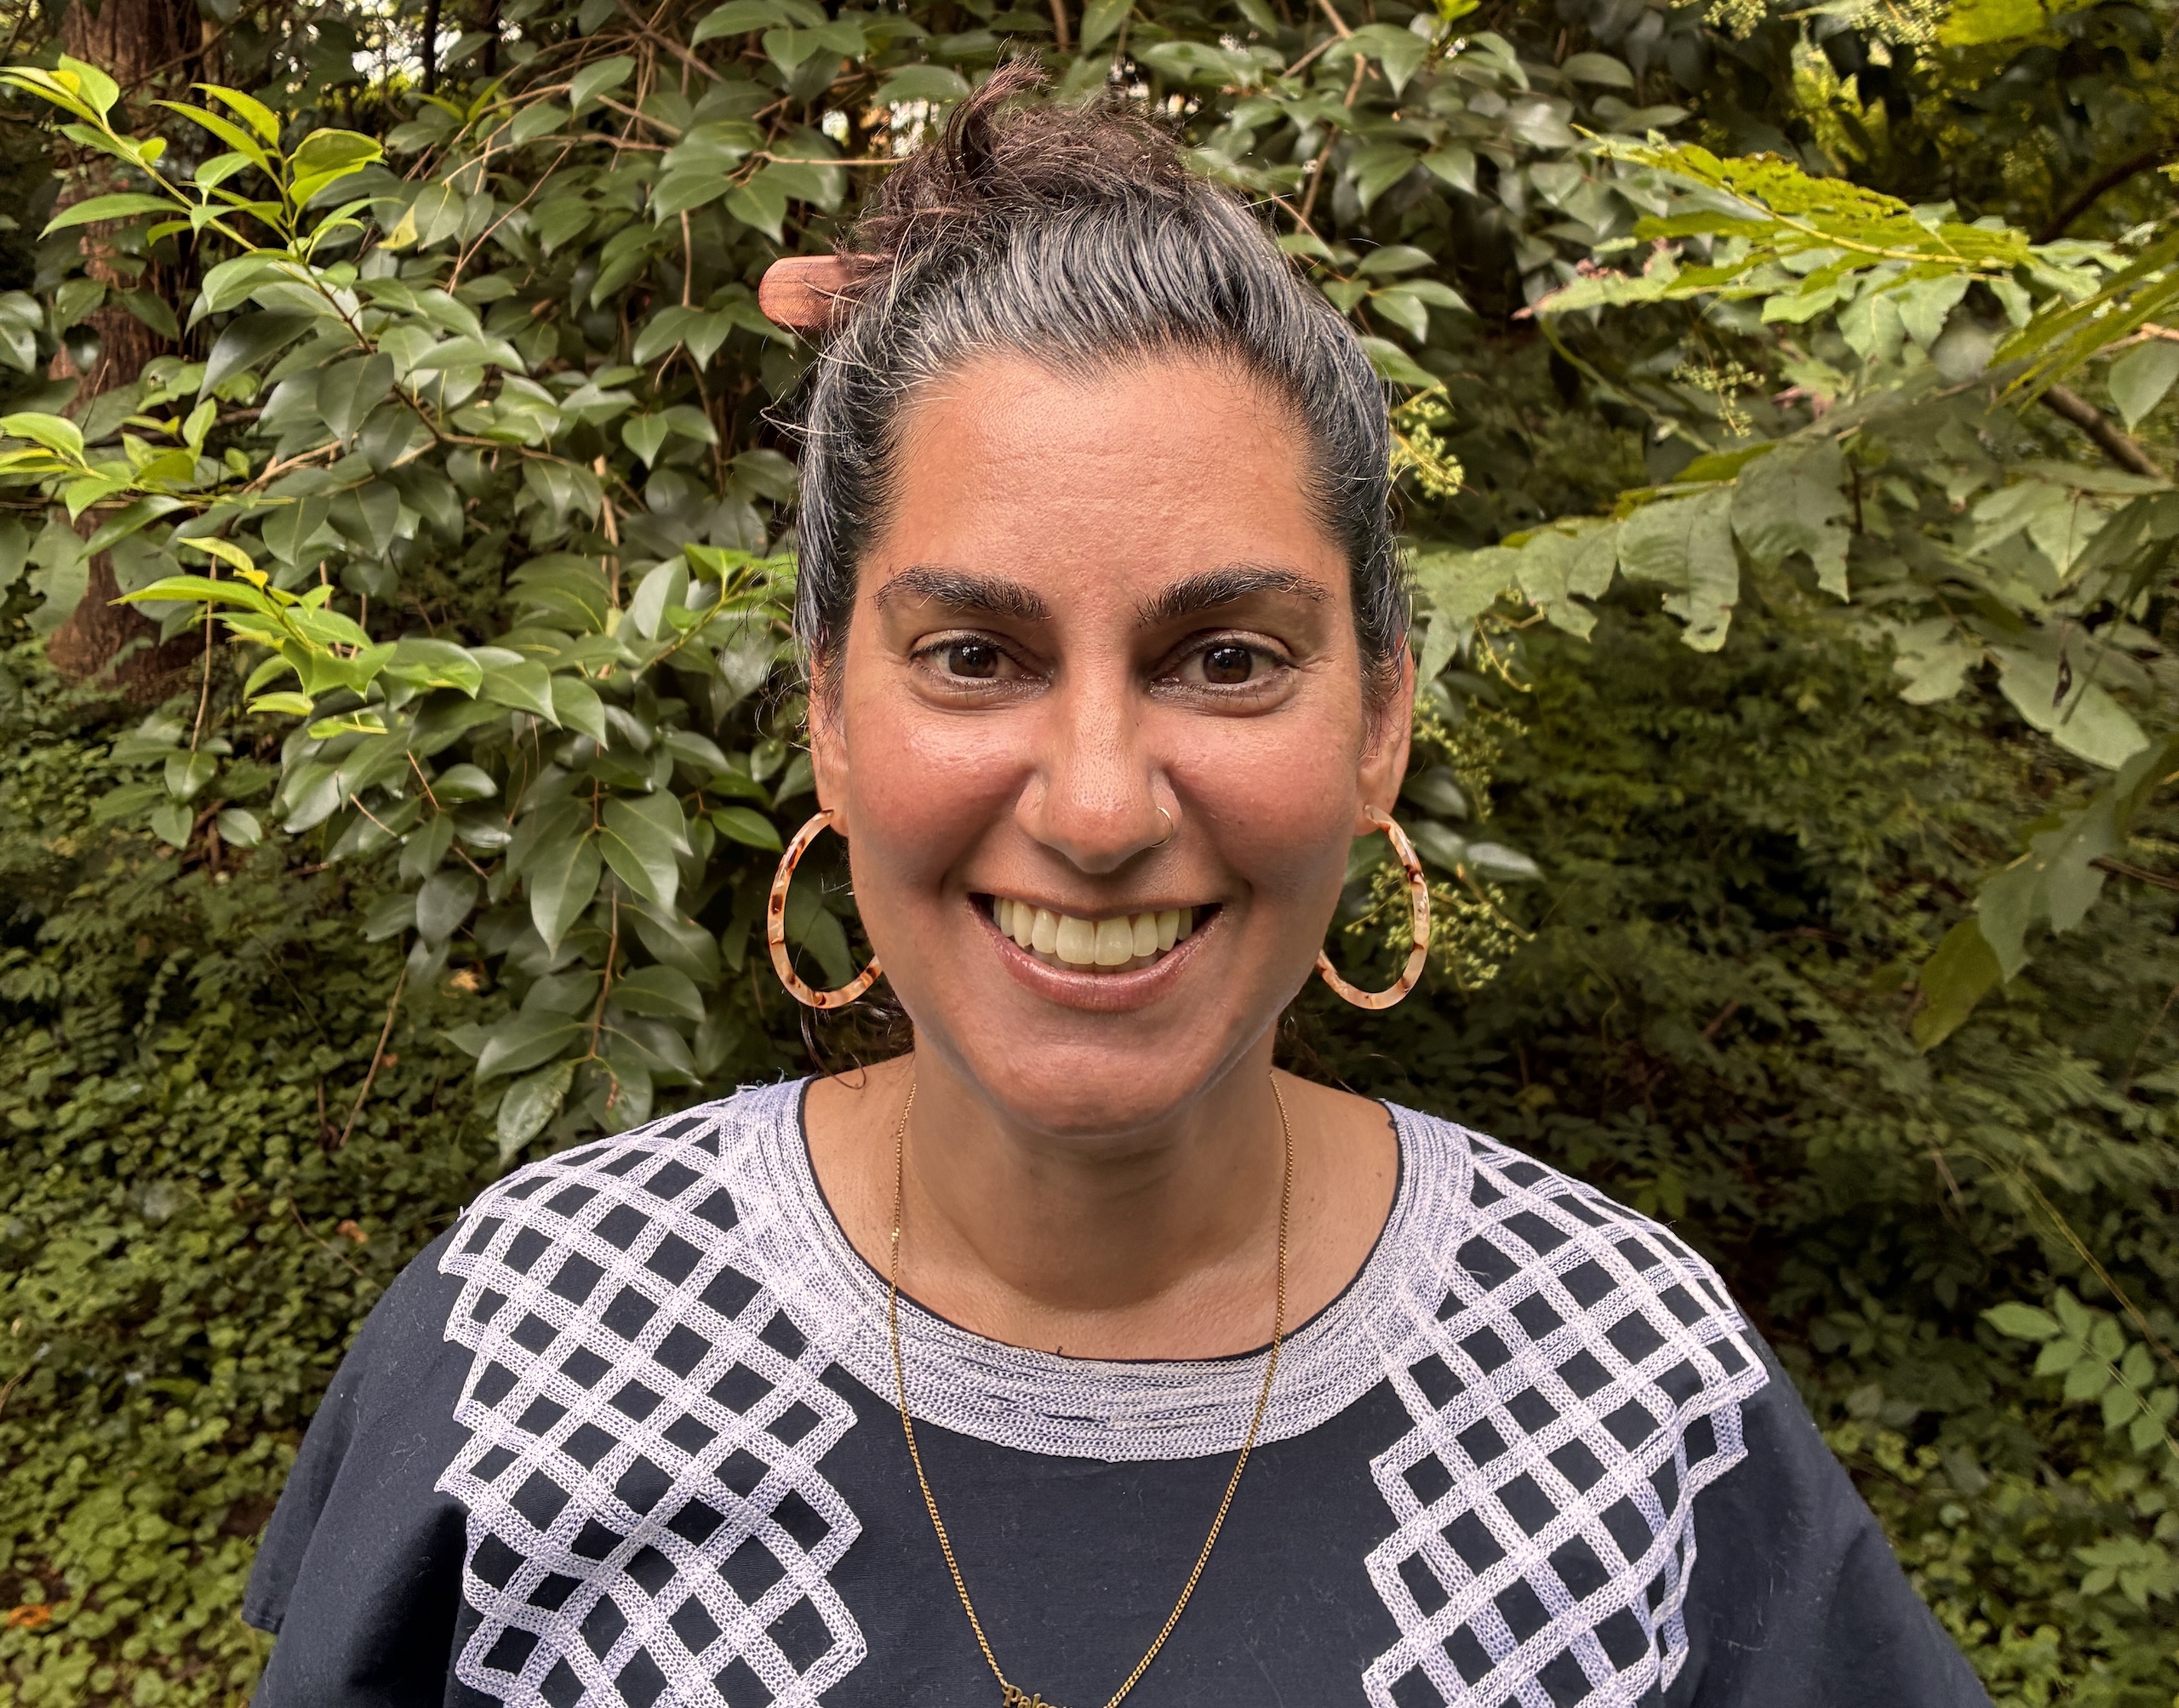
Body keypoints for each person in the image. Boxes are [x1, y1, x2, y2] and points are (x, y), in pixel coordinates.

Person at [243, 67, 1993, 1708]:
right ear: (828, 712)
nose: (1092, 805)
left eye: (1224, 656)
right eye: (972, 652)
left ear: (1381, 712)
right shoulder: (531, 1346)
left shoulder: (1624, 1400)